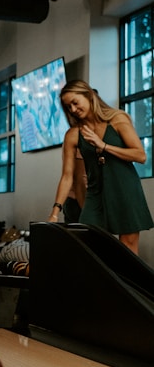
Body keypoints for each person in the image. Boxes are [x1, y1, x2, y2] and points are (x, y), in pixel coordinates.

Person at [50, 79, 153, 254]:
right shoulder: (73, 135)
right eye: (68, 107)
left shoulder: (117, 119)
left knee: (128, 247)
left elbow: (140, 155)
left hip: (125, 188)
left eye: (75, 102)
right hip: (95, 193)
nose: (73, 109)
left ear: (89, 96)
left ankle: (125, 274)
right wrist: (54, 212)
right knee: (88, 244)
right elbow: (67, 176)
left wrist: (103, 145)